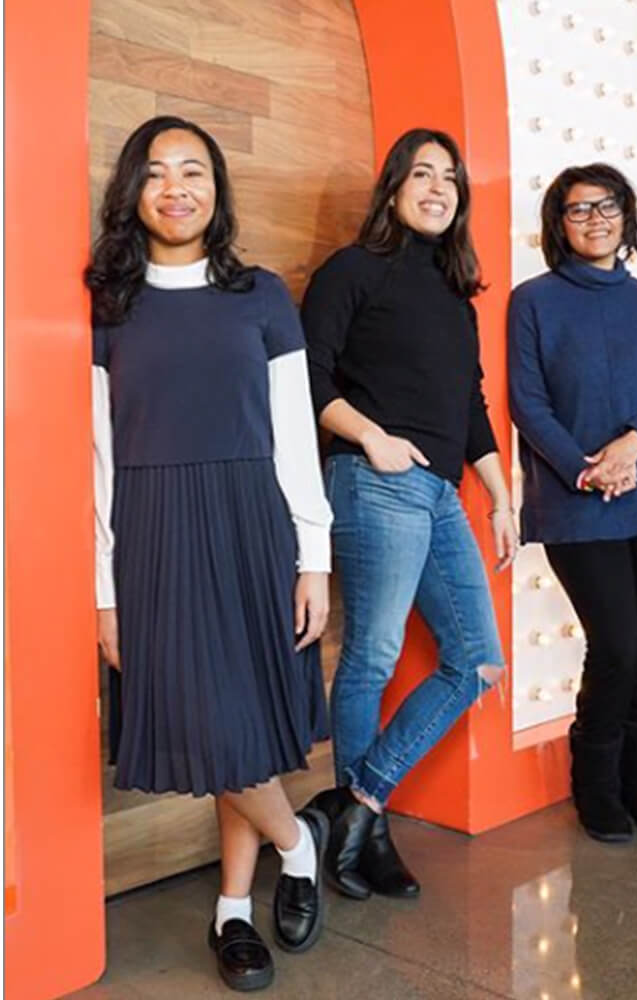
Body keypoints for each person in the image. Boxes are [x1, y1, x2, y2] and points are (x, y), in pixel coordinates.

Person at [89, 116, 333, 991]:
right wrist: (102, 592)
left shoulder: (262, 294)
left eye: (194, 171)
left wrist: (315, 559)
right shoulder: (107, 302)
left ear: (218, 189)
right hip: (153, 530)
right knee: (214, 724)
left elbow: (296, 437)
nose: (176, 187)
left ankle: (233, 910)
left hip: (250, 522)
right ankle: (299, 841)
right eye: (156, 174)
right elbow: (97, 457)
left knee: (245, 727)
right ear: (134, 192)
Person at [302, 128, 516, 896]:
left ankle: (356, 805)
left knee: (477, 661)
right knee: (374, 656)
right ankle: (369, 838)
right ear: (393, 188)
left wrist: (500, 493)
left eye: (449, 178)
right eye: (420, 174)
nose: (436, 187)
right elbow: (307, 377)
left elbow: (471, 405)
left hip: (440, 492)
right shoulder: (353, 271)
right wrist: (372, 438)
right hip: (374, 479)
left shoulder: (457, 295)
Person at [507, 163, 637, 842]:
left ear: (627, 215)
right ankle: (596, 786)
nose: (595, 219)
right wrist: (586, 469)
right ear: (558, 224)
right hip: (575, 499)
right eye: (578, 209)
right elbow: (527, 402)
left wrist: (631, 448)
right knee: (615, 643)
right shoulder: (532, 299)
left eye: (607, 206)